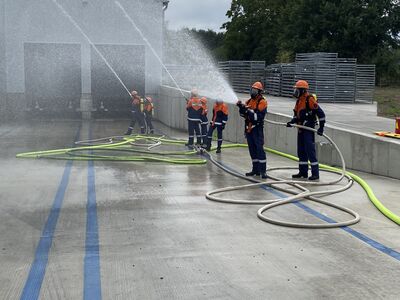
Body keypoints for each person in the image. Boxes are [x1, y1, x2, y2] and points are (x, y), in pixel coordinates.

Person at [286, 80, 326, 181]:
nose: (295, 91)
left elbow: (321, 114)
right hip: (301, 129)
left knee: (310, 151)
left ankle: (315, 174)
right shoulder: (299, 101)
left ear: (303, 90)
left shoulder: (310, 99)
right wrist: (292, 122)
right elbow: (297, 115)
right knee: (301, 151)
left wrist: (321, 128)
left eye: (297, 89)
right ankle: (303, 172)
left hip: (308, 130)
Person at [237, 82, 268, 179]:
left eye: (255, 90)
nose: (252, 92)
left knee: (259, 150)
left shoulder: (262, 102)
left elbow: (257, 117)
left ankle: (263, 171)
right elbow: (243, 115)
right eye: (252, 90)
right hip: (249, 129)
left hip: (257, 129)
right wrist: (241, 108)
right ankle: (255, 170)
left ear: (259, 92)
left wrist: (247, 111)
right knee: (252, 150)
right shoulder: (249, 101)